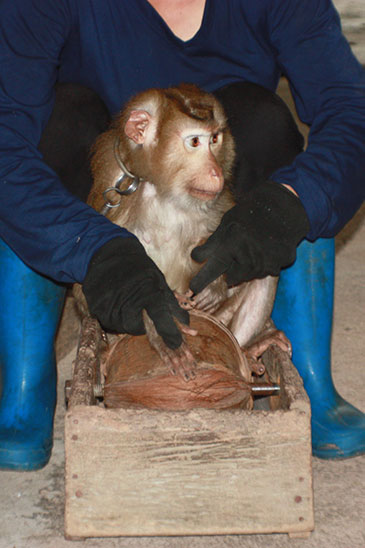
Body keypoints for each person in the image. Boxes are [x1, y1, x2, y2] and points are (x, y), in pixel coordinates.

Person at [0, 0, 364, 470]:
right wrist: (93, 249)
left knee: (265, 120)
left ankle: (310, 375)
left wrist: (291, 203)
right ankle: (25, 383)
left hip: (219, 196)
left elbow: (351, 110)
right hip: (94, 189)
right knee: (60, 119)